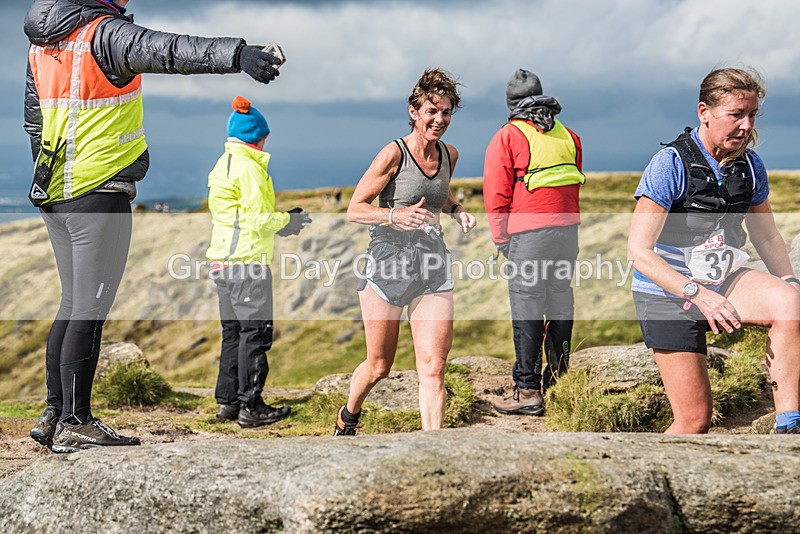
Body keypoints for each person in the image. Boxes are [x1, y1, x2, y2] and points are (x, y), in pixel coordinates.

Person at [24, 0, 283, 453]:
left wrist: (58, 180)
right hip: (99, 193)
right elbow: (169, 50)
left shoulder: (44, 41)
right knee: (89, 309)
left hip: (58, 190)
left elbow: (35, 122)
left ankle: (54, 412)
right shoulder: (103, 35)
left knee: (72, 304)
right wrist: (238, 54)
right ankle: (76, 421)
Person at [628, 67, 800, 434]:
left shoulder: (750, 166)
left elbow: (766, 236)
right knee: (694, 421)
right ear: (704, 111)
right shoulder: (670, 164)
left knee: (790, 303)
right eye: (735, 114)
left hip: (724, 279)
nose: (745, 125)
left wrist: (788, 278)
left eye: (752, 115)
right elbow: (639, 252)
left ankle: (790, 425)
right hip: (668, 293)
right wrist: (697, 294)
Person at [335, 68, 477, 435]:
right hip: (387, 262)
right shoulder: (392, 154)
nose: (439, 120)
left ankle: (434, 450)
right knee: (379, 365)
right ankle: (348, 415)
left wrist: (457, 211)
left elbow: (439, 194)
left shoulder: (450, 154)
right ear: (414, 111)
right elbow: (355, 208)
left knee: (433, 366)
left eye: (446, 112)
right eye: (432, 111)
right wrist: (394, 214)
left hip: (432, 264)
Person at [484, 69, 585, 416]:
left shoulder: (508, 136)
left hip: (529, 236)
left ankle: (527, 390)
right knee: (559, 301)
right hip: (568, 233)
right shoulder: (569, 136)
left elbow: (496, 195)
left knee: (527, 305)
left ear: (511, 104)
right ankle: (558, 384)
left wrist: (501, 240)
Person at [207, 97, 307, 428]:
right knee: (255, 333)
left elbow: (239, 218)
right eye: (265, 136)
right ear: (256, 137)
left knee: (232, 332)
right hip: (248, 263)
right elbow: (260, 220)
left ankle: (228, 402)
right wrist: (289, 221)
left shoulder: (222, 164)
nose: (267, 141)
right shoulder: (251, 169)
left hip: (222, 262)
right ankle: (251, 405)